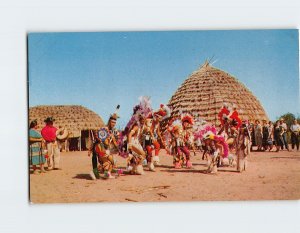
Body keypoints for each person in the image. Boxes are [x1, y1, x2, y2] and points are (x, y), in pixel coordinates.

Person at [88, 105, 120, 179]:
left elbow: (115, 144)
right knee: (110, 161)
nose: (113, 124)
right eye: (112, 122)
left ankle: (107, 174)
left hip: (105, 149)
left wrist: (115, 144)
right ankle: (94, 172)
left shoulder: (113, 132)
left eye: (114, 123)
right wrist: (91, 149)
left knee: (111, 162)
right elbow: (97, 138)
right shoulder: (104, 129)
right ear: (109, 122)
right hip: (99, 148)